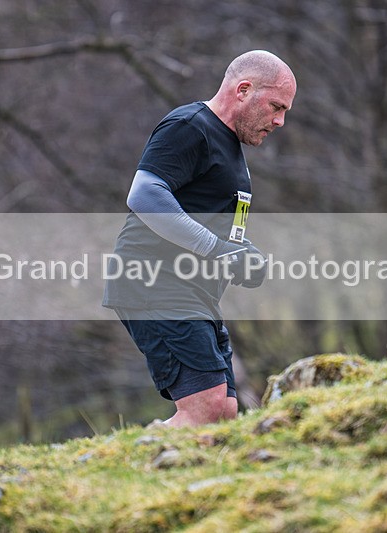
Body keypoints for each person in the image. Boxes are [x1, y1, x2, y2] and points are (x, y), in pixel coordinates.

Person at [103, 50, 297, 427]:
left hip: (195, 292)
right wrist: (218, 251)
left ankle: (169, 471)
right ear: (243, 90)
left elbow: (225, 229)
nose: (280, 121)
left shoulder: (232, 149)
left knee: (223, 412)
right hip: (153, 281)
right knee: (204, 407)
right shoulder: (190, 126)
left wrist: (245, 254)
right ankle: (131, 469)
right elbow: (144, 194)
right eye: (276, 106)